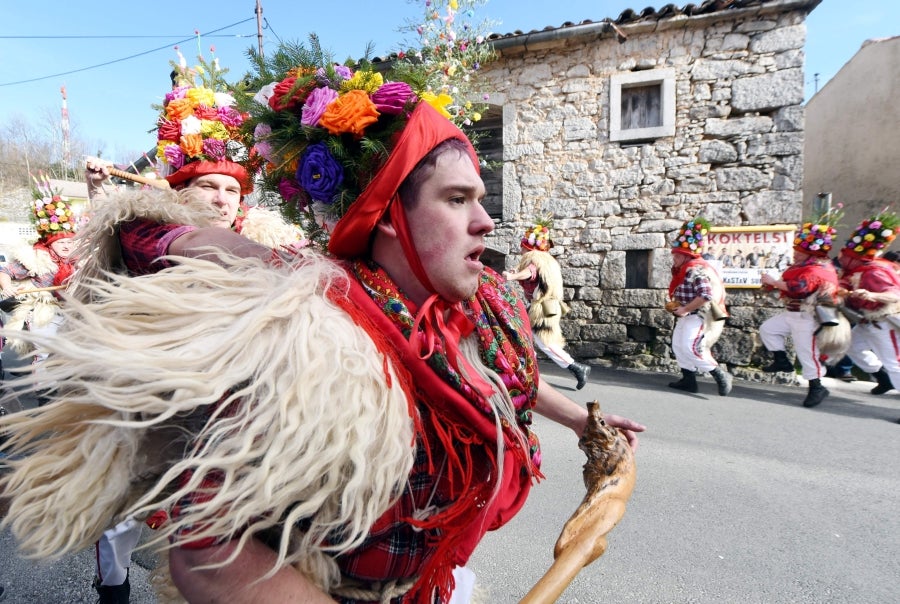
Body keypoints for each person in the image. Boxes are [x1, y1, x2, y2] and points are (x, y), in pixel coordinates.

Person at [0, 53, 644, 603]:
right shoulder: (311, 339)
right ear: (387, 216)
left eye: (480, 198)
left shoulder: (480, 312)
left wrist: (585, 423)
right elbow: (208, 554)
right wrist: (235, 255)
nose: (486, 221)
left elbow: (506, 385)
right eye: (456, 200)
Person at [79, 61, 304, 604]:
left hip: (233, 410)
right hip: (149, 397)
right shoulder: (152, 232)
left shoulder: (273, 238)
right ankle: (113, 591)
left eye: (232, 188)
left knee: (229, 540)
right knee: (119, 521)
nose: (224, 199)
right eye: (209, 186)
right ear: (182, 191)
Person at [760, 218, 847, 408]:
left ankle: (817, 387)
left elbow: (800, 288)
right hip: (793, 313)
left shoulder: (816, 270)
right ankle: (781, 361)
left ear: (809, 254)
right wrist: (773, 284)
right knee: (768, 329)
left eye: (798, 252)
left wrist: (774, 282)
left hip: (807, 316)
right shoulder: (806, 267)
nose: (795, 254)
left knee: (807, 353)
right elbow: (791, 286)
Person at [502, 219, 591, 389]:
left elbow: (530, 273)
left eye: (522, 247)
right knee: (525, 337)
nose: (521, 250)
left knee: (544, 343)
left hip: (541, 308)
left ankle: (576, 367)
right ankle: (530, 370)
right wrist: (516, 272)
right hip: (544, 306)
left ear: (528, 248)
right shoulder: (547, 261)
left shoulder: (534, 261)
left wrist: (512, 277)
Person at [0, 187, 77, 366]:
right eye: (61, 242)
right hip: (45, 311)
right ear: (51, 244)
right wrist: (7, 286)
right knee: (45, 355)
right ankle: (43, 389)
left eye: (69, 242)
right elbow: (4, 272)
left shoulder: (78, 258)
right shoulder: (37, 258)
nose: (66, 246)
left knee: (72, 354)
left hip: (73, 310)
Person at [838, 211, 900, 404]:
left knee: (894, 363)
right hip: (867, 321)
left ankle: (889, 378)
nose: (841, 258)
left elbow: (895, 295)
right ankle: (883, 378)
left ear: (854, 258)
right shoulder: (855, 271)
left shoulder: (874, 272)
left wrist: (872, 295)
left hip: (883, 323)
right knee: (849, 346)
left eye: (845, 256)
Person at [666, 218, 733, 396]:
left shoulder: (696, 270)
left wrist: (686, 309)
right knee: (678, 346)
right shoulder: (686, 269)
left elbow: (705, 295)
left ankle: (719, 374)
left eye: (677, 255)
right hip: (687, 314)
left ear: (687, 256)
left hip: (697, 315)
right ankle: (688, 380)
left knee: (690, 346)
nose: (674, 258)